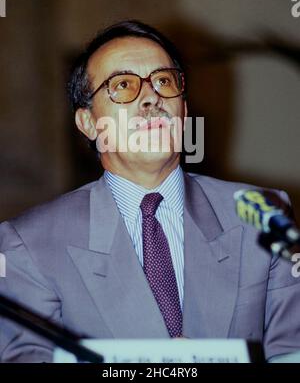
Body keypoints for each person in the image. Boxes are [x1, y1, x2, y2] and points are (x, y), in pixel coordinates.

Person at [0, 20, 299, 363]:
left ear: (183, 111)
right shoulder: (28, 245)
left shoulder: (262, 215)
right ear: (88, 122)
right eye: (123, 85)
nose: (151, 97)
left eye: (163, 81)